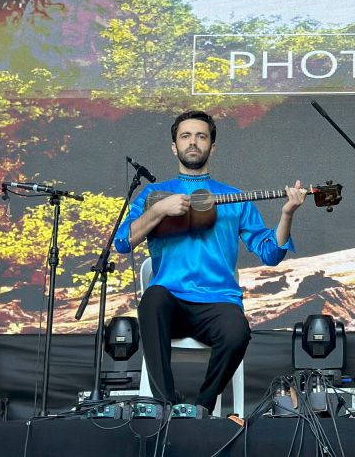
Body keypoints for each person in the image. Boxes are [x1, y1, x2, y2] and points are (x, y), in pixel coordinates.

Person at [114, 110, 307, 413]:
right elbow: (123, 242)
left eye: (201, 136)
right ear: (174, 146)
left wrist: (287, 214)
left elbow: (271, 254)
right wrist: (160, 210)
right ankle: (166, 404)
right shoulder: (153, 194)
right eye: (186, 136)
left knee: (237, 331)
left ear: (212, 147)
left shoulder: (234, 198)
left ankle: (202, 408)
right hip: (171, 302)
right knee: (152, 299)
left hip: (217, 302)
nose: (193, 142)